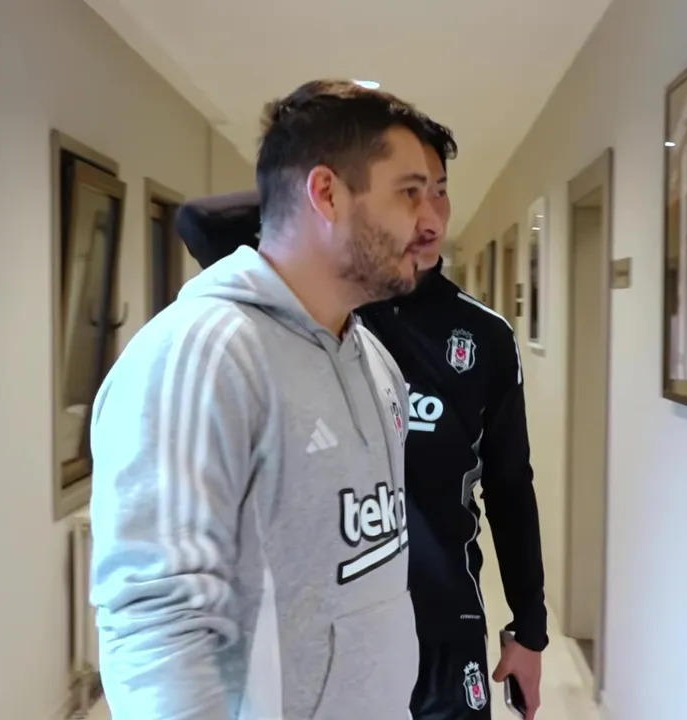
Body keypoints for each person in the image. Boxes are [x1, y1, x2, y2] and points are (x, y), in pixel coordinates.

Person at [88, 78, 445, 720]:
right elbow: (157, 627)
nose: (430, 222)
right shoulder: (201, 356)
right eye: (408, 193)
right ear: (327, 193)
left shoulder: (376, 363)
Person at [175, 121, 548, 720]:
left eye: (440, 191)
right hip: (332, 634)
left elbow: (510, 487)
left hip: (445, 623)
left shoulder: (483, 337)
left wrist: (529, 627)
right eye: (408, 192)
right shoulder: (326, 313)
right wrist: (338, 194)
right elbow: (200, 220)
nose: (428, 215)